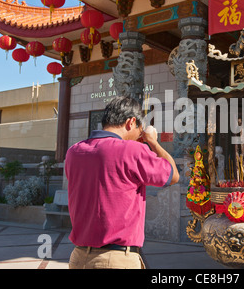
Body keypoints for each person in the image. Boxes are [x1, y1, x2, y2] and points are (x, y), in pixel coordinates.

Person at [66, 96, 179, 269]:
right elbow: (173, 176)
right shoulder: (132, 150)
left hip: (78, 257)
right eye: (139, 129)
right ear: (131, 122)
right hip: (116, 259)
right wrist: (152, 142)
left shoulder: (74, 151)